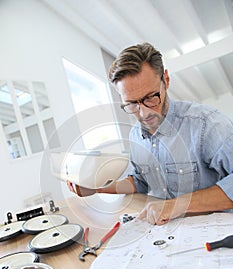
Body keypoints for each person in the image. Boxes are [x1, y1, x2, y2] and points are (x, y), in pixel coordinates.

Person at [67, 42, 233, 225]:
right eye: (132, 104)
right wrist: (96, 188)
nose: (144, 113)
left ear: (166, 80)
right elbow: (139, 182)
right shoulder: (135, 135)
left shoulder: (206, 124)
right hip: (165, 234)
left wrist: (175, 205)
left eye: (150, 98)